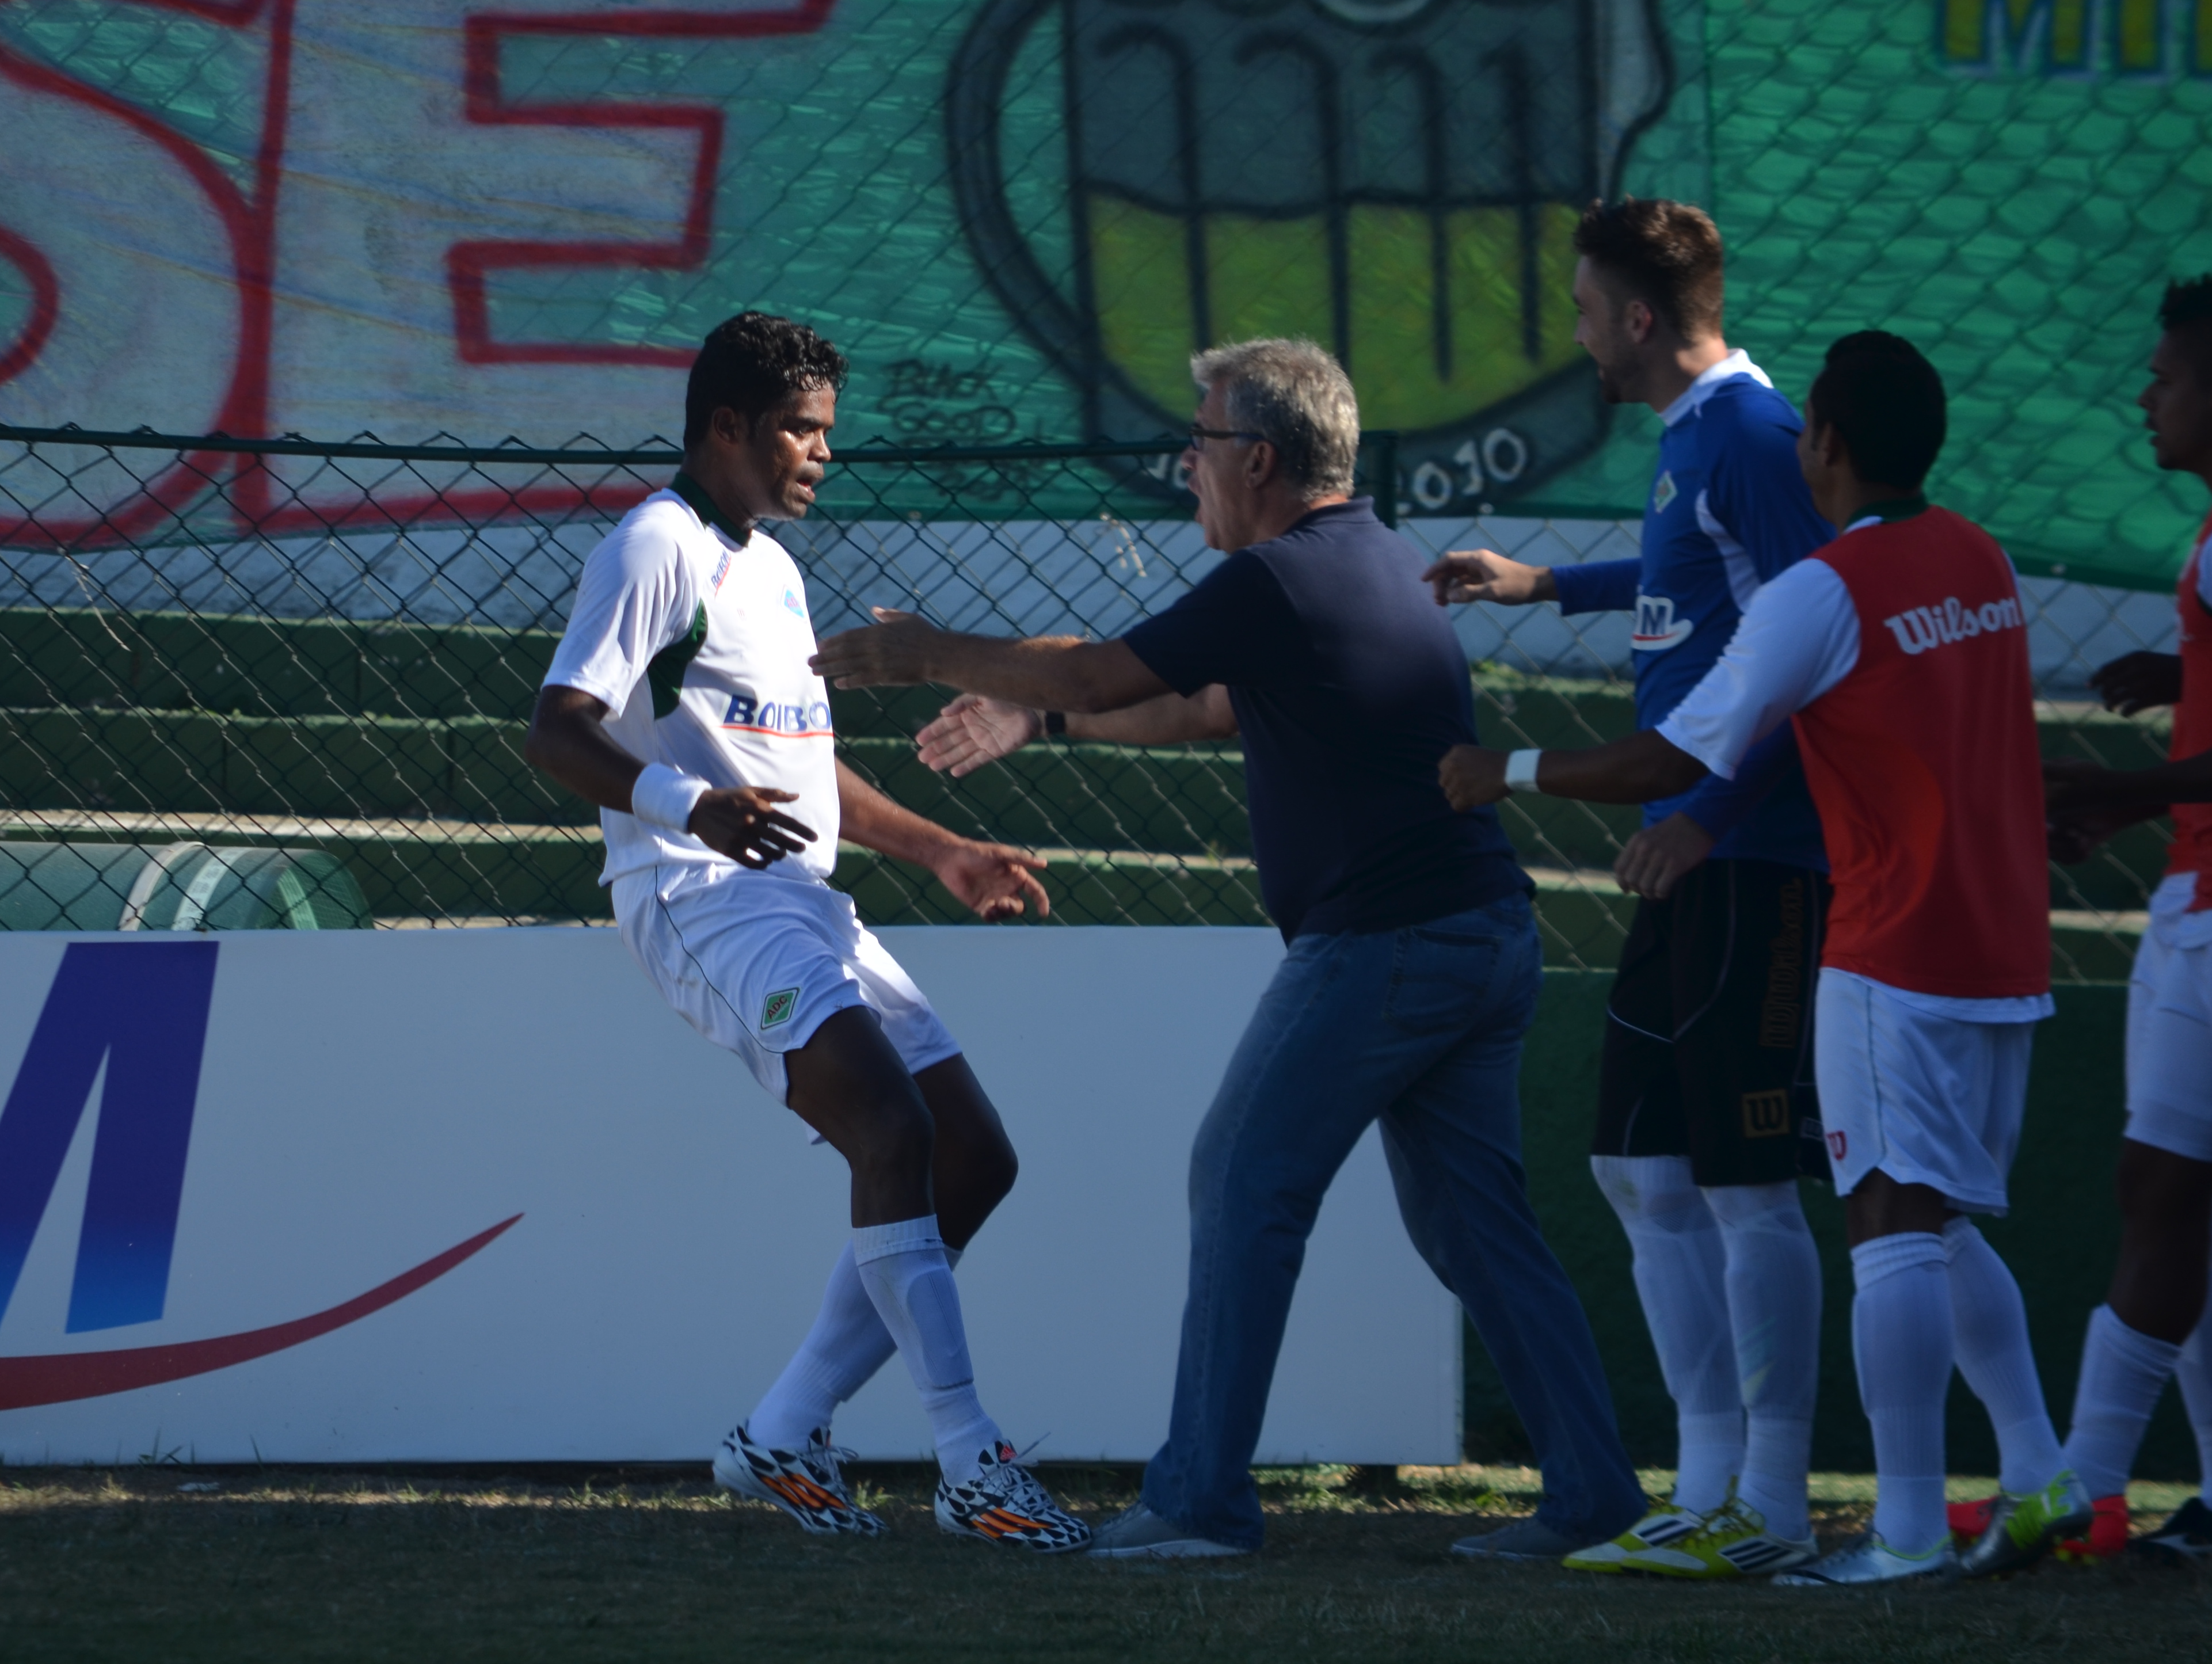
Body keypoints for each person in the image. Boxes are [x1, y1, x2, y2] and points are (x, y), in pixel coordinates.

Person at [812, 337, 1643, 1564]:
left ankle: (1199, 1499)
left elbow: (1104, 671)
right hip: (1479, 938)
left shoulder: (1279, 578)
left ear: (1257, 459)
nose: (1181, 466)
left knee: (1242, 1179)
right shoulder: (1368, 558)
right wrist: (1034, 711)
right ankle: (1592, 1496)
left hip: (1388, 946)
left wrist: (925, 651)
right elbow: (1198, 703)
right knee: (1476, 1229)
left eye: (1196, 443)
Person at [1441, 331, 2066, 1585]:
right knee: (1926, 1219)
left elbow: (1678, 758)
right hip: (2001, 940)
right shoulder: (1978, 560)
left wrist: (1500, 772)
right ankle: (2041, 1475)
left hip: (1888, 939)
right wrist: (1553, 589)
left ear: (1823, 445)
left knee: (1883, 1223)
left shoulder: (1819, 592)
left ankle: (1884, 1533)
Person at [523, 311, 1088, 1551]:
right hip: (699, 898)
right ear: (723, 426)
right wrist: (691, 806)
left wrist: (941, 849)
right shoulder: (654, 547)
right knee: (888, 1128)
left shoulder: (771, 566)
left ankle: (783, 1428)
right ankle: (968, 1457)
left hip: (796, 897)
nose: (820, 452)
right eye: (796, 428)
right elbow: (557, 730)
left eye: (827, 431)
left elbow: (808, 781)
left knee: (971, 1158)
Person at [1424, 199, 1833, 1579]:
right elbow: (1687, 580)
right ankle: (1704, 1481)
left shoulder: (1757, 438)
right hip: (1689, 853)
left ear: (1643, 318)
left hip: (1753, 861)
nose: (1581, 333)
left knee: (1743, 1183)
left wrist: (1714, 813)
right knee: (1638, 1168)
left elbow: (1813, 639)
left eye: (1590, 310)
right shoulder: (1695, 444)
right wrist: (1545, 581)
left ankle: (1770, 1506)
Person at [2027, 266, 2212, 1572]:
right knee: (2163, 1188)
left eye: (2169, 379)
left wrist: (2120, 793)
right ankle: (2112, 1497)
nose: (2148, 396)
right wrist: (2184, 679)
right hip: (2211, 897)